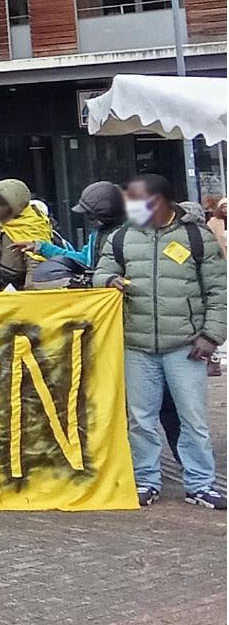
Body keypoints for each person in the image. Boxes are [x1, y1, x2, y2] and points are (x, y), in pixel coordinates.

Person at [95, 174, 225, 508]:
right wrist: (109, 279)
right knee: (141, 419)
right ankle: (145, 480)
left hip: (185, 345)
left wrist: (211, 336)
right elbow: (101, 271)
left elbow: (219, 290)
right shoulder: (122, 237)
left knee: (193, 418)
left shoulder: (198, 237)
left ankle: (200, 483)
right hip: (136, 345)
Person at [0, 178, 54, 289]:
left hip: (17, 284)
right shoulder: (5, 221)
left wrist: (28, 294)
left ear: (15, 204)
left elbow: (36, 263)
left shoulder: (32, 224)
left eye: (1, 204)